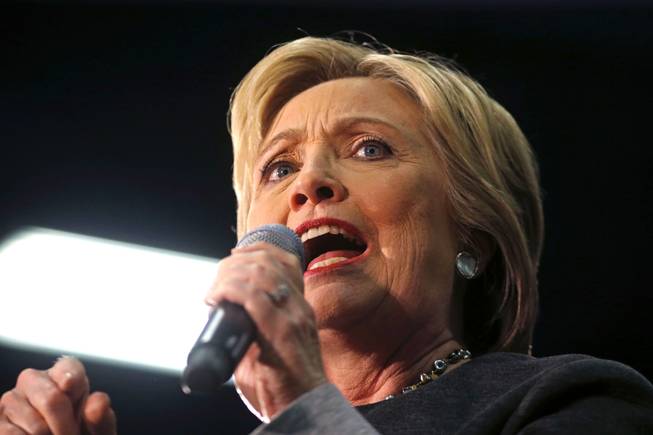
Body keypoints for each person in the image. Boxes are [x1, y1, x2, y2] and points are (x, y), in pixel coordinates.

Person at [1, 35, 652, 435]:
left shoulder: (574, 399)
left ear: (474, 235)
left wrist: (302, 414)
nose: (307, 183)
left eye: (368, 149)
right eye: (279, 166)